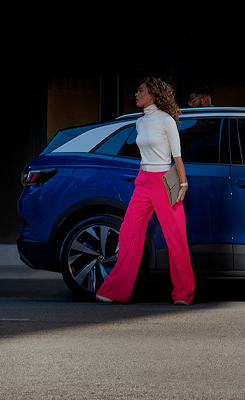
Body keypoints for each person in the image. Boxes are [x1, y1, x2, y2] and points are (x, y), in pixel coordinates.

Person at [96, 77, 195, 305]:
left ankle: (184, 293)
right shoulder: (140, 122)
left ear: (153, 94)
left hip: (163, 181)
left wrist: (183, 183)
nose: (136, 94)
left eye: (140, 90)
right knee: (129, 234)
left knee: (176, 237)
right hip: (143, 182)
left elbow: (177, 156)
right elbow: (144, 155)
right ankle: (115, 290)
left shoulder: (166, 120)